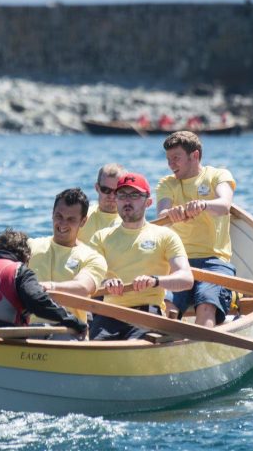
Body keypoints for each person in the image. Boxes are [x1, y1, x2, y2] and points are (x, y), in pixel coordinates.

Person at [88, 172, 193, 340]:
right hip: (108, 314)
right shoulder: (101, 237)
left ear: (148, 202)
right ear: (116, 200)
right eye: (122, 195)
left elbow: (186, 279)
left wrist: (155, 281)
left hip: (148, 315)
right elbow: (88, 278)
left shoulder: (165, 236)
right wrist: (105, 283)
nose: (127, 201)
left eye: (135, 195)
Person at [156, 131, 236, 328]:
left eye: (176, 158)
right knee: (167, 308)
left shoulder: (218, 175)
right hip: (179, 262)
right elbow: (161, 214)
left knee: (206, 307)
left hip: (215, 262)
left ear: (195, 156)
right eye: (168, 159)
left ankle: (201, 348)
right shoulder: (167, 183)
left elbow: (224, 205)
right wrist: (170, 213)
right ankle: (166, 345)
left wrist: (203, 205)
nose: (171, 164)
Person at [0, 228, 88, 337]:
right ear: (25, 256)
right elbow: (38, 302)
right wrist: (72, 321)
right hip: (5, 340)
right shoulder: (20, 271)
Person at [28, 188, 107, 325]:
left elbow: (82, 287)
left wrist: (47, 287)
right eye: (59, 216)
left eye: (71, 219)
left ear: (83, 221)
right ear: (52, 214)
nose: (63, 224)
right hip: (28, 329)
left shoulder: (93, 258)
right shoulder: (30, 246)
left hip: (68, 329)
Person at [77, 163, 125, 243]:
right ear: (97, 188)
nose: (112, 196)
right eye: (106, 190)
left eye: (117, 191)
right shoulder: (81, 216)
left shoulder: (131, 221)